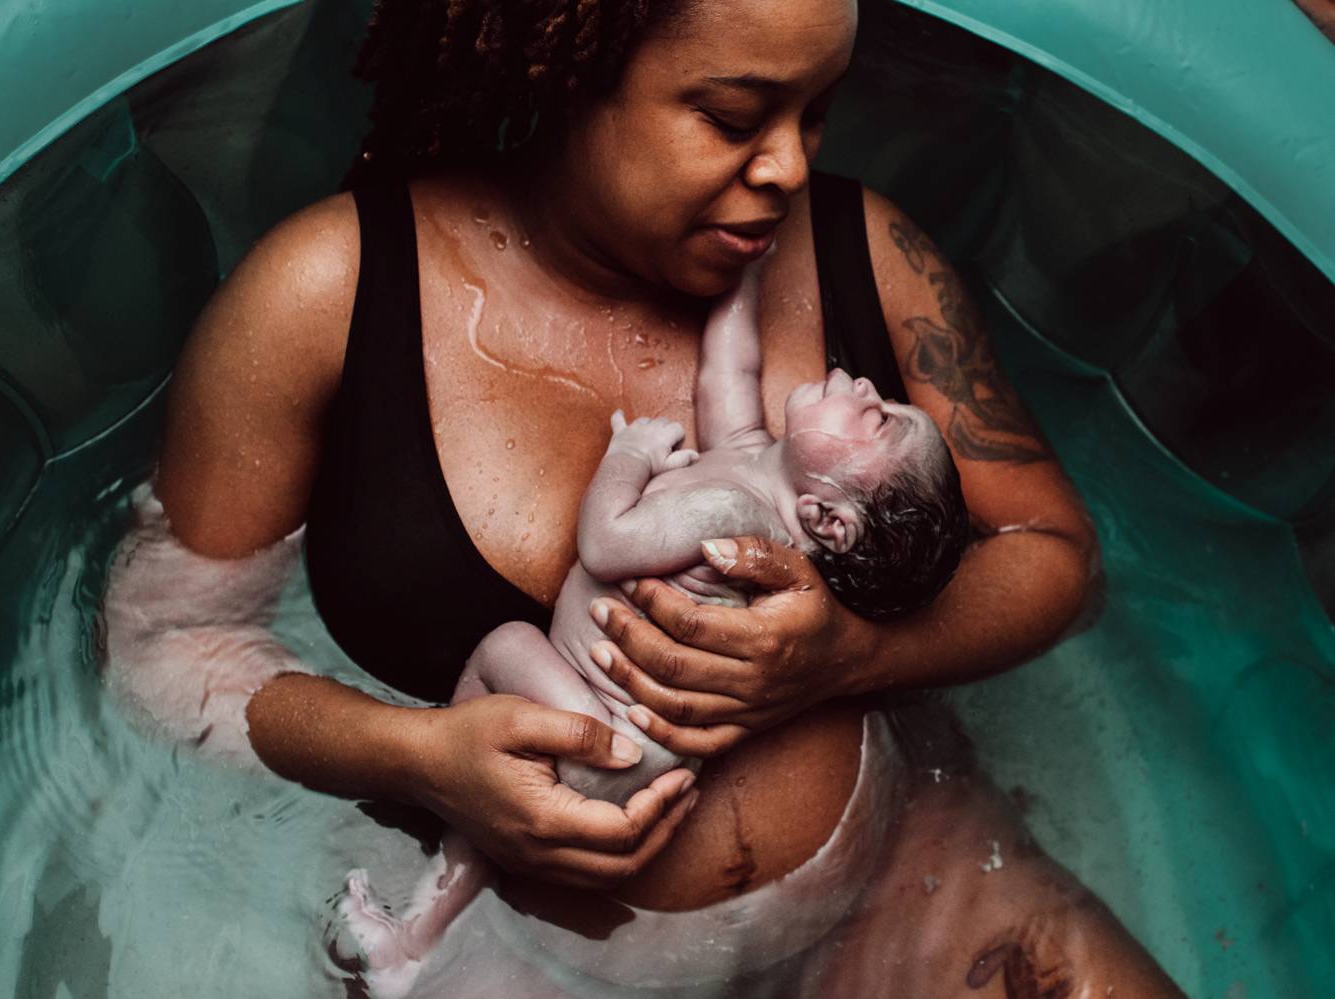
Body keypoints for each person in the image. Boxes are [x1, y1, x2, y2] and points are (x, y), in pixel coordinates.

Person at [105, 0, 1186, 993]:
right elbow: (164, 645)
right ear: (558, 65)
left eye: (818, 113)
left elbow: (1055, 552)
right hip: (520, 952)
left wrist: (852, 658)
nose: (787, 169)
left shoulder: (866, 251)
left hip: (904, 875)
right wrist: (422, 761)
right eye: (733, 115)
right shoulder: (326, 297)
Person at [332, 258, 968, 987]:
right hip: (623, 751)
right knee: (492, 821)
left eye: (879, 418)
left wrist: (628, 455)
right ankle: (414, 940)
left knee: (503, 652)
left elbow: (606, 543)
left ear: (829, 518)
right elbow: (730, 367)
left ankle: (434, 817)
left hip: (608, 740)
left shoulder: (737, 514)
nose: (864, 387)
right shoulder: (751, 466)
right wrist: (745, 271)